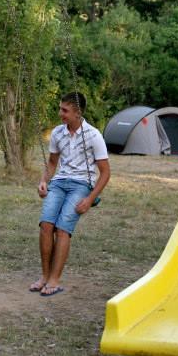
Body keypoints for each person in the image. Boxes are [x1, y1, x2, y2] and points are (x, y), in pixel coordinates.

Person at [30, 92, 110, 297]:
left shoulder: (93, 135)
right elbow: (52, 164)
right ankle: (45, 276)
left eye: (64, 110)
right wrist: (43, 182)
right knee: (46, 224)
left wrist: (89, 199)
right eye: (60, 108)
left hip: (82, 184)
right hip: (59, 182)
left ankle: (55, 280)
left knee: (62, 229)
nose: (60, 114)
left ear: (77, 112)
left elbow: (105, 172)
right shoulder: (57, 133)